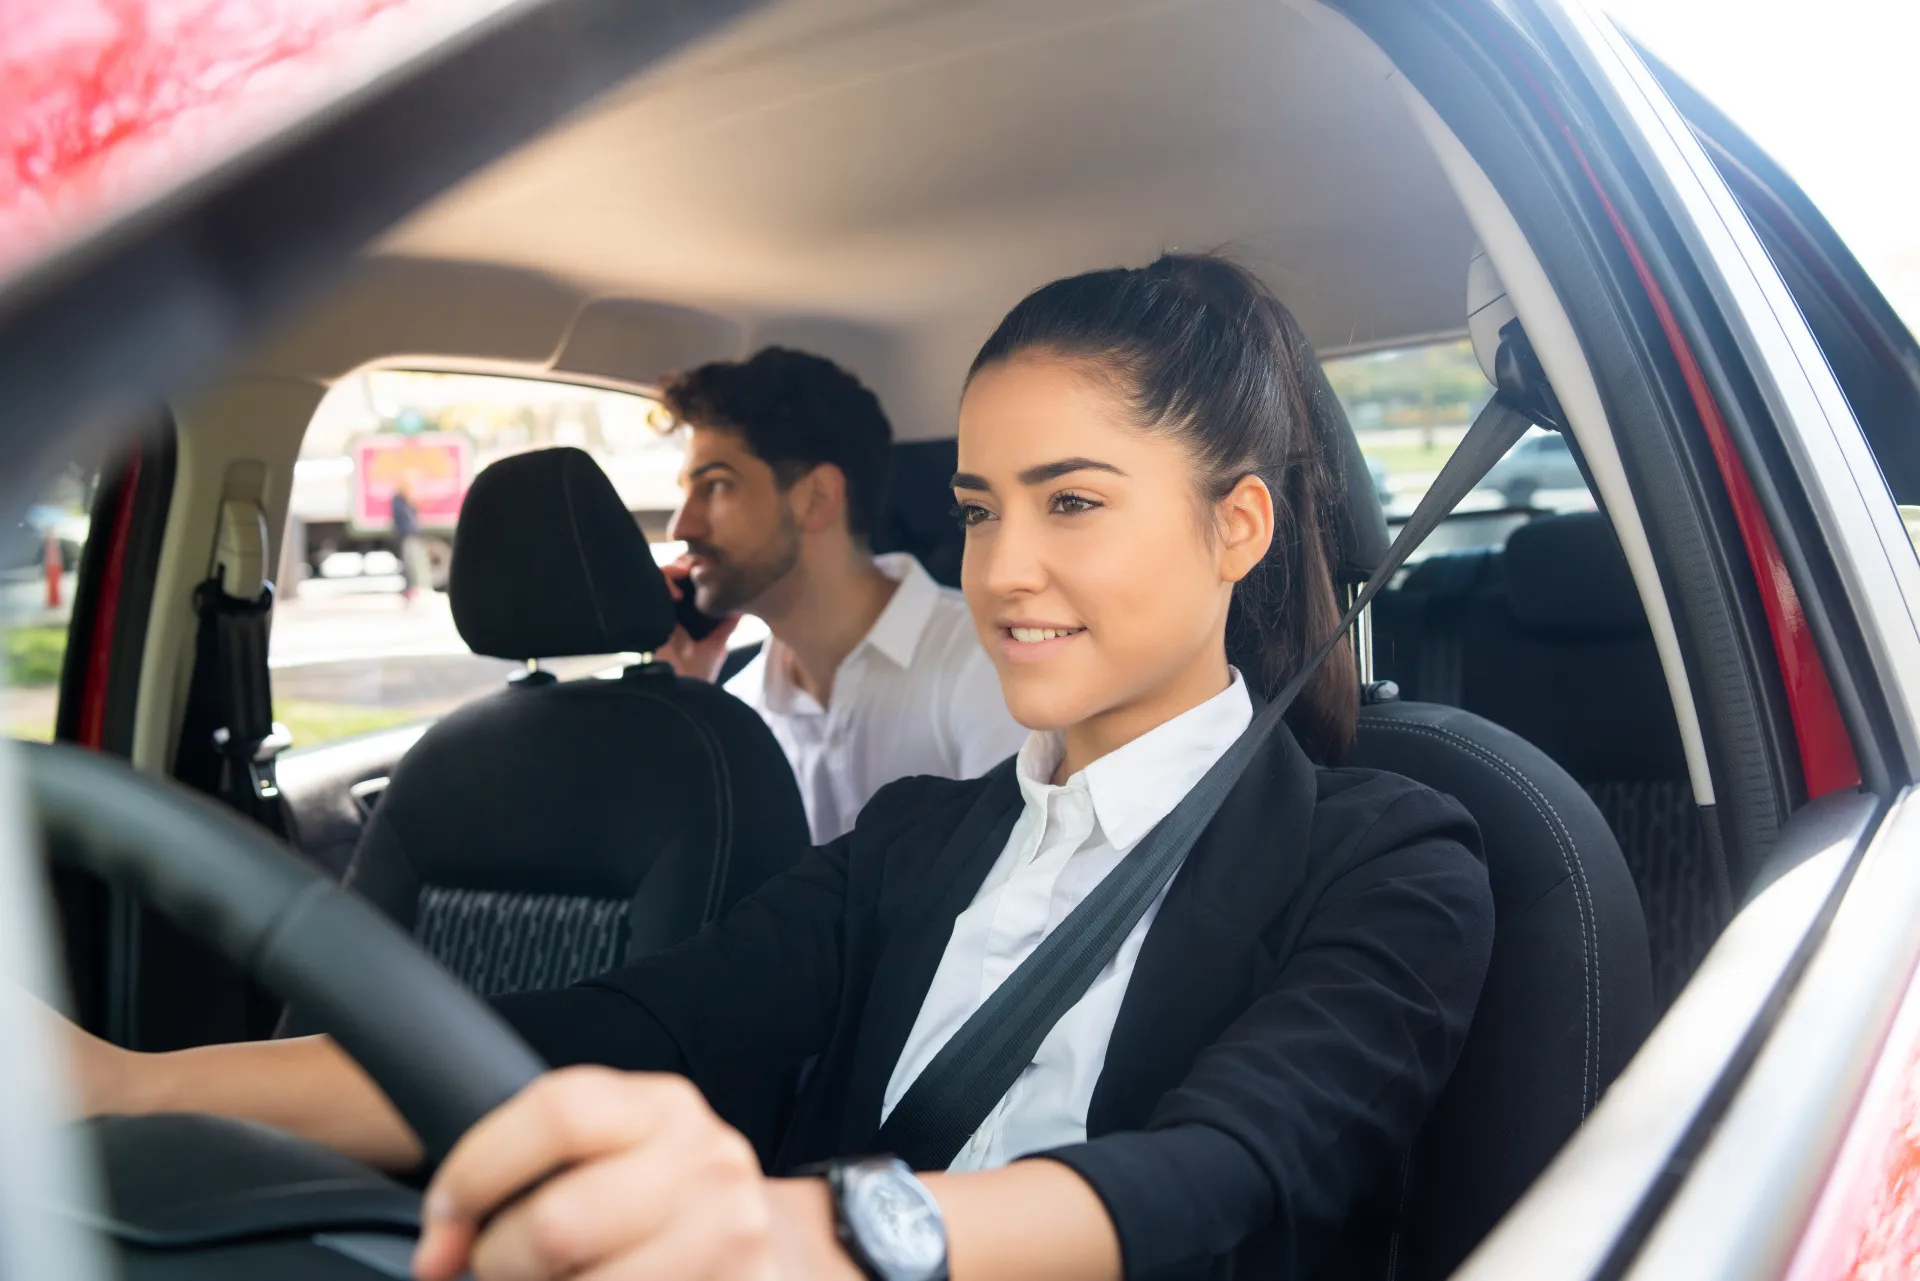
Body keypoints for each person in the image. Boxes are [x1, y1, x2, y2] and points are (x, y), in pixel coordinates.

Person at [64, 255, 1495, 1281]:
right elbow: (625, 1027)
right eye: (979, 510)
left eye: (1072, 503)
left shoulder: (1395, 856)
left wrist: (803, 1232)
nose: (1002, 571)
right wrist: (136, 1088)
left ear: (1237, 527)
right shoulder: (917, 841)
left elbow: (1224, 1168)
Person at [655, 346, 1026, 843]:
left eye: (717, 486)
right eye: (686, 492)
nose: (682, 526)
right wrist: (688, 705)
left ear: (817, 498)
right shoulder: (739, 708)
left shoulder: (986, 666)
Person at [390, 475, 433, 604]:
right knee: (408, 563)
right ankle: (409, 589)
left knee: (414, 563)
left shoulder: (407, 502)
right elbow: (402, 519)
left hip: (412, 535)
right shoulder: (399, 501)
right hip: (406, 535)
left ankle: (413, 588)